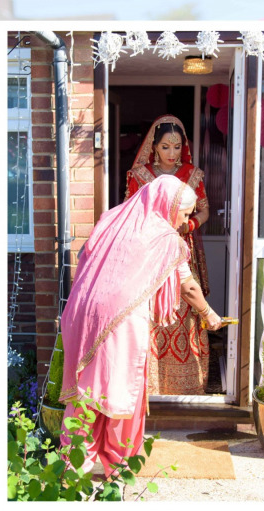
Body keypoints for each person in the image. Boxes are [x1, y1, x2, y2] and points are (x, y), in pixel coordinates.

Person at [59, 176, 222, 474]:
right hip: (121, 319)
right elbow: (188, 287)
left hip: (81, 312)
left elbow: (86, 256)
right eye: (184, 214)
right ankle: (117, 465)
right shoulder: (164, 237)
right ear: (169, 206)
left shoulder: (113, 219)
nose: (185, 221)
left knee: (88, 389)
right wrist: (209, 313)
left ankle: (73, 465)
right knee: (122, 391)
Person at [125, 115, 212, 395]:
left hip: (181, 247)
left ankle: (186, 382)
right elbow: (130, 214)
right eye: (165, 147)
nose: (172, 154)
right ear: (153, 146)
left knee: (186, 306)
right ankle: (150, 383)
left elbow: (204, 210)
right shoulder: (139, 176)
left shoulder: (192, 174)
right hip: (148, 252)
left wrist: (187, 225)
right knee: (148, 310)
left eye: (177, 147)